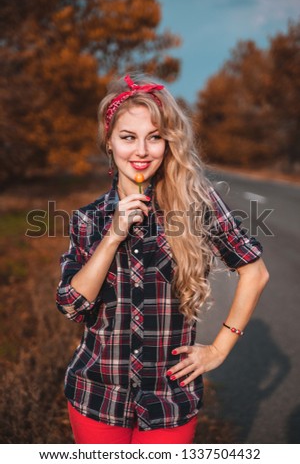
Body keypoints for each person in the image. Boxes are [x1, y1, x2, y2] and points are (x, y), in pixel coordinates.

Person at [56, 73, 269, 444]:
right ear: (109, 142)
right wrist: (113, 236)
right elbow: (72, 305)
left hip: (170, 401)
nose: (141, 151)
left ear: (168, 143)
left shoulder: (196, 203)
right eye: (128, 137)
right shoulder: (89, 219)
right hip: (97, 395)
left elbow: (255, 272)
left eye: (154, 137)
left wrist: (219, 348)